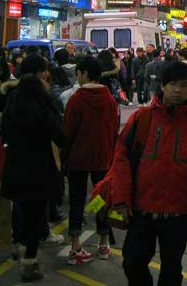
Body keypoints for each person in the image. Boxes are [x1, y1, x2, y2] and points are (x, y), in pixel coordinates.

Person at [106, 61, 187, 286]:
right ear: (162, 86)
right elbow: (121, 160)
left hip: (177, 214)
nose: (177, 90)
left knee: (172, 270)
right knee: (133, 263)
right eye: (172, 84)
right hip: (140, 211)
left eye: (183, 85)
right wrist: (121, 200)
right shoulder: (141, 118)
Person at [0, 73, 66, 281]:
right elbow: (61, 138)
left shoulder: (11, 110)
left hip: (15, 167)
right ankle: (30, 260)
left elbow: (4, 135)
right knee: (37, 216)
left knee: (19, 209)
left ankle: (17, 244)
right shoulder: (44, 112)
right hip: (40, 169)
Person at [64, 55, 119, 265]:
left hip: (78, 159)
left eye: (78, 73)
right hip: (103, 159)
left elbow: (68, 131)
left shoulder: (76, 100)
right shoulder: (110, 100)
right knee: (101, 200)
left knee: (77, 201)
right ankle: (104, 242)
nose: (77, 77)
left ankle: (76, 246)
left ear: (85, 73)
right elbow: (114, 130)